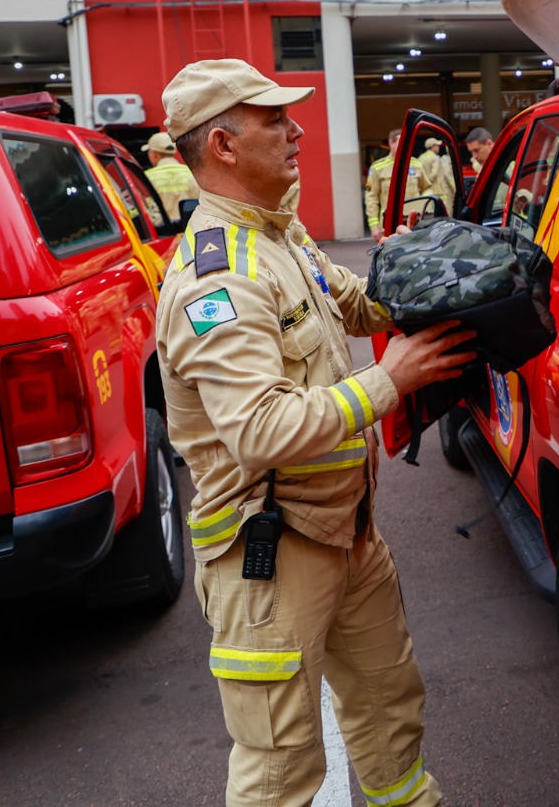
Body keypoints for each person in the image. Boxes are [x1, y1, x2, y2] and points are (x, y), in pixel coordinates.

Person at [155, 58, 474, 807]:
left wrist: (446, 280)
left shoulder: (281, 236)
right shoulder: (218, 278)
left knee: (391, 710)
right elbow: (261, 430)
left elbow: (358, 305)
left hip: (347, 532)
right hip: (268, 557)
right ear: (224, 147)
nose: (298, 130)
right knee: (279, 772)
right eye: (275, 120)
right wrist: (391, 381)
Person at [141, 130, 201, 219]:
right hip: (192, 229)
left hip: (163, 231)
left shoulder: (147, 177)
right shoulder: (193, 173)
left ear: (154, 154)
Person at [363, 129, 402, 239]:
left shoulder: (417, 165)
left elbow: (427, 188)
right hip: (389, 225)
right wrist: (374, 227)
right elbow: (371, 198)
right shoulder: (377, 168)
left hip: (413, 224)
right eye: (401, 141)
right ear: (391, 143)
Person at [413, 138, 456, 218]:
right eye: (437, 146)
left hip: (424, 192)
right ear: (432, 147)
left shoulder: (420, 157)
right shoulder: (436, 158)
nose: (439, 147)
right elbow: (434, 173)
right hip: (436, 190)